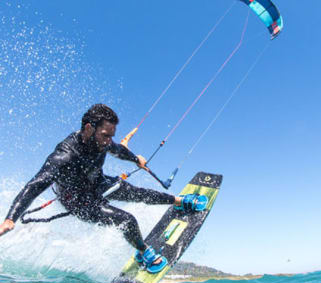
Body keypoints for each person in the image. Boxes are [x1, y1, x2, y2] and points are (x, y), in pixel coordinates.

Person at [0, 104, 208, 273]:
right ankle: (142, 252)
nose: (109, 140)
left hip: (96, 183)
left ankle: (180, 201)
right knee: (126, 220)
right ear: (89, 128)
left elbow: (118, 150)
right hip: (77, 200)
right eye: (106, 135)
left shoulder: (104, 142)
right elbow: (35, 185)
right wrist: (10, 218)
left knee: (137, 193)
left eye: (111, 135)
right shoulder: (65, 155)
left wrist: (136, 159)